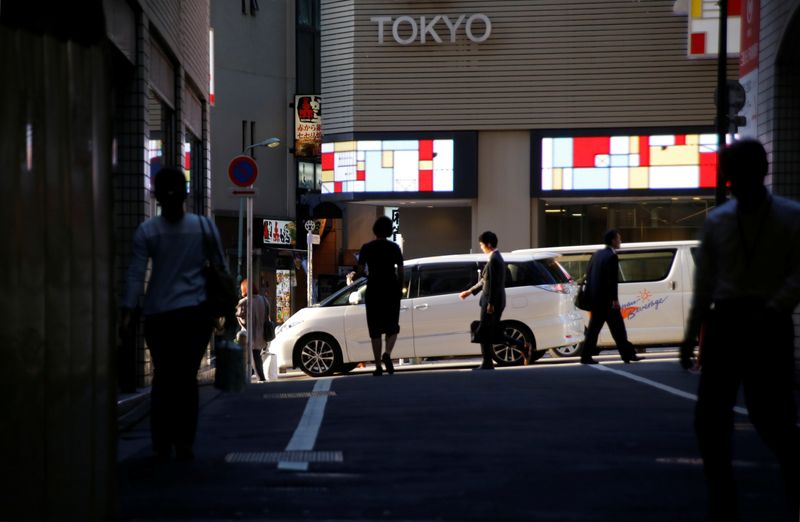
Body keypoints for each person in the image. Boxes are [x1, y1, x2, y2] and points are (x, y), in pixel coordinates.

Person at [679, 139, 800, 522]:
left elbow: (705, 286)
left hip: (730, 324)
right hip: (768, 324)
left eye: (732, 177)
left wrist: (693, 333)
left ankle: (723, 504)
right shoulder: (790, 215)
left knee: (714, 420)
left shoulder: (719, 221)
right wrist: (777, 306)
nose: (732, 184)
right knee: (772, 418)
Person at [121, 167, 222, 461]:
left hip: (159, 315)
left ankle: (161, 440)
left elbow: (135, 275)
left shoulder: (148, 230)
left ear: (155, 195)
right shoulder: (203, 227)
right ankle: (184, 441)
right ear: (186, 193)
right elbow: (220, 269)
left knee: (163, 378)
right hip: (195, 314)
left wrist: (127, 312)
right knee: (186, 377)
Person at [459, 231, 531, 370]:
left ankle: (487, 362)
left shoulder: (494, 260)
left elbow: (494, 284)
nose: (481, 247)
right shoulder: (495, 258)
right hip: (493, 301)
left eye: (482, 244)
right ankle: (522, 346)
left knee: (484, 331)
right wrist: (469, 292)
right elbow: (485, 281)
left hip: (492, 302)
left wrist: (491, 303)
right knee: (491, 332)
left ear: (489, 244)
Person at [580, 228, 642, 365]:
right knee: (618, 329)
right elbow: (611, 280)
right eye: (619, 239)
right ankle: (628, 355)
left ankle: (586, 356)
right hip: (608, 302)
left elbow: (589, 275)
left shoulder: (596, 254)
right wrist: (615, 299)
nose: (620, 241)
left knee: (593, 330)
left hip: (596, 301)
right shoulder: (611, 256)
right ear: (613, 241)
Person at [356, 216, 404, 376]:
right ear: (389, 231)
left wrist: (366, 274)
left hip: (374, 290)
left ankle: (377, 366)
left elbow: (360, 270)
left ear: (375, 230)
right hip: (391, 290)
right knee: (392, 326)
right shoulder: (394, 248)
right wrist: (399, 288)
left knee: (375, 329)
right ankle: (387, 354)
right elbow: (401, 271)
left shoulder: (367, 248)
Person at [235, 278, 269, 383]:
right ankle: (258, 376)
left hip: (248, 333)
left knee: (252, 356)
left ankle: (259, 378)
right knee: (256, 355)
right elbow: (267, 315)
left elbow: (239, 317)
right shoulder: (264, 299)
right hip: (261, 332)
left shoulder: (243, 302)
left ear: (244, 289)